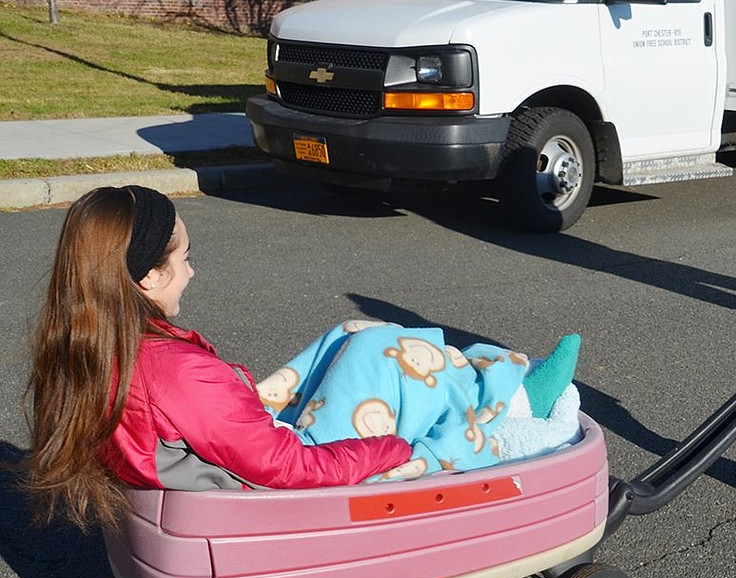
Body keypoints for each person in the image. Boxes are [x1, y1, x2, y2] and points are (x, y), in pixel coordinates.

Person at [24, 186, 580, 532]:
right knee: (383, 351)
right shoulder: (170, 370)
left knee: (352, 331)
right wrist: (389, 447)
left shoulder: (92, 350)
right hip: (268, 493)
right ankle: (515, 401)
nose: (192, 271)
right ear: (147, 276)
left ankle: (492, 388)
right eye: (185, 259)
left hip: (229, 468)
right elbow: (286, 468)